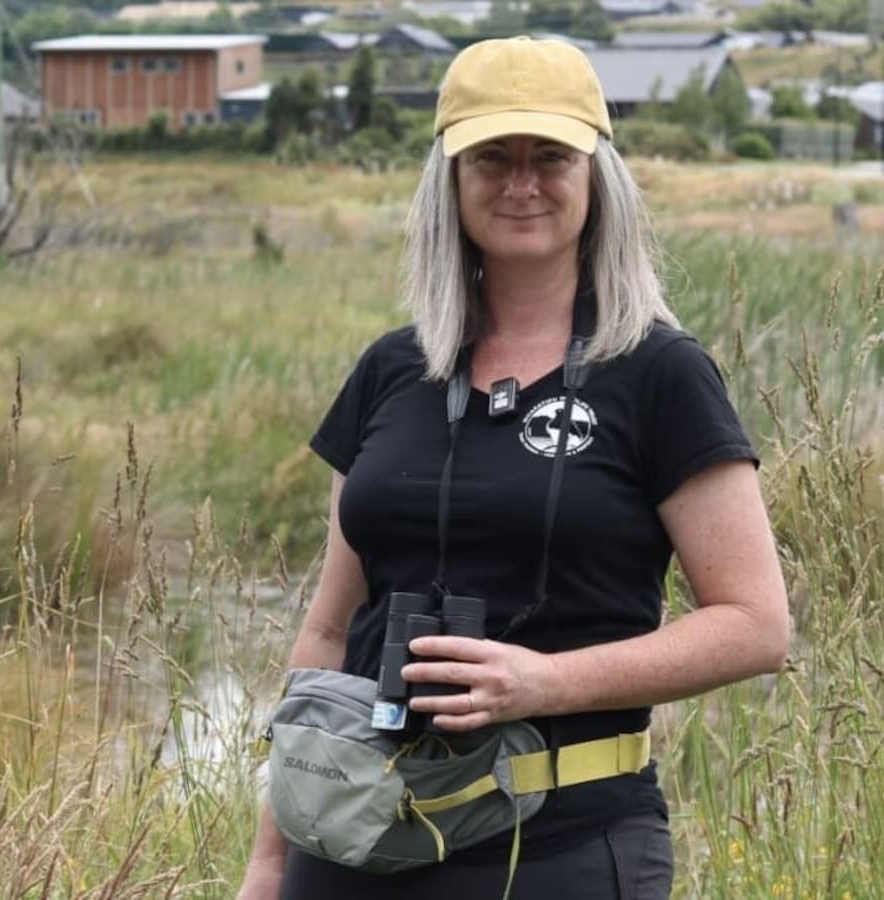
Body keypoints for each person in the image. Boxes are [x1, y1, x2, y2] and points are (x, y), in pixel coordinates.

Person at [237, 37, 790, 900]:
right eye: (492, 156)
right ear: (449, 182)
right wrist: (271, 862)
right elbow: (331, 636)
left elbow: (756, 624)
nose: (521, 183)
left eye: (551, 157)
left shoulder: (660, 374)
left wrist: (546, 681)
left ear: (596, 177)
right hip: (352, 838)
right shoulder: (392, 372)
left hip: (563, 845)